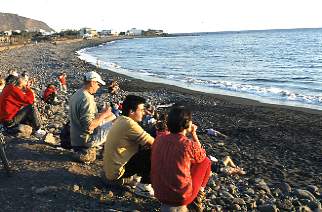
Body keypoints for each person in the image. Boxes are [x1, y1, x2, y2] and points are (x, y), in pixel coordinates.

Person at [151, 105, 212, 212]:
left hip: (158, 192)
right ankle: (198, 195)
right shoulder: (188, 145)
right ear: (187, 124)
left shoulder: (160, 138)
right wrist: (194, 134)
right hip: (180, 198)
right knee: (205, 162)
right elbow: (202, 155)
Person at [103, 95, 155, 198]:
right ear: (131, 111)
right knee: (153, 151)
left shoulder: (121, 119)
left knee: (144, 146)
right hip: (117, 173)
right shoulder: (130, 124)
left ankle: (135, 178)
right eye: (141, 110)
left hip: (110, 170)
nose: (143, 113)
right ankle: (143, 187)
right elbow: (155, 144)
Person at [69, 71, 116, 164]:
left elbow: (83, 117)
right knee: (118, 124)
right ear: (92, 82)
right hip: (84, 140)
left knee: (113, 117)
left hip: (75, 137)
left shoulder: (78, 93)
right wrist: (104, 115)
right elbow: (89, 126)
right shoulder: (87, 99)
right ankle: (108, 155)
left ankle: (104, 151)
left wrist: (102, 115)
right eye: (98, 84)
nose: (99, 87)